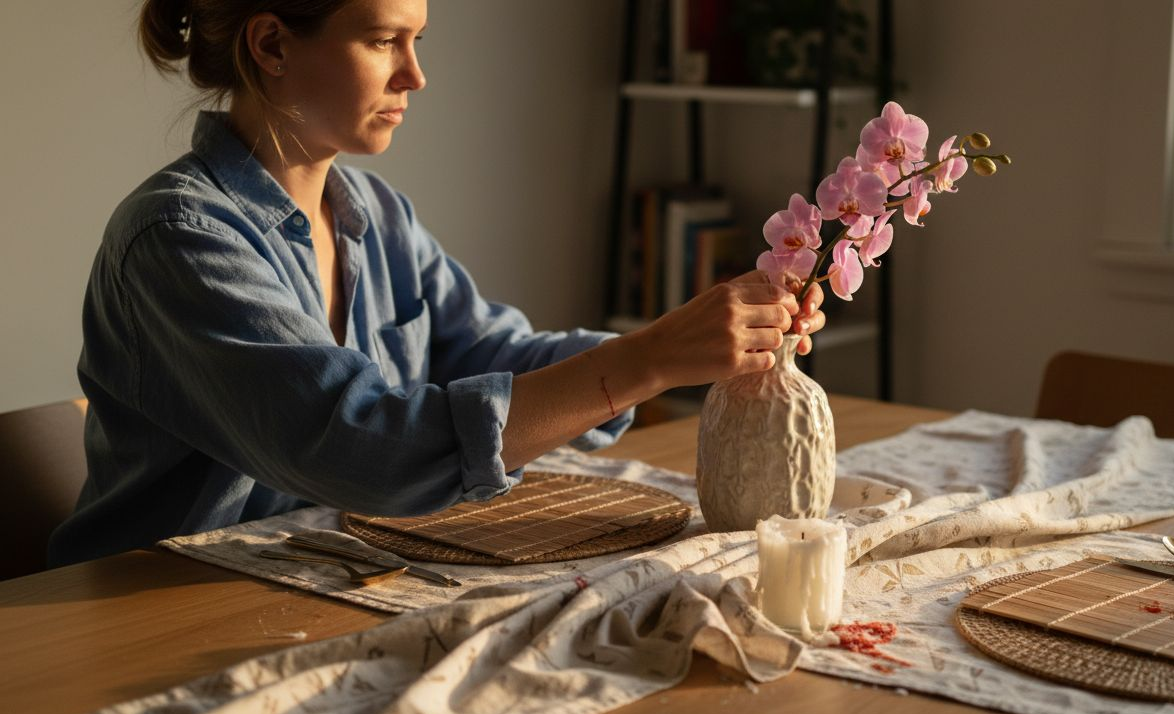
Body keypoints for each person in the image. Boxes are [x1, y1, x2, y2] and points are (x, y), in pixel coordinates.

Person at [49, 0, 826, 567]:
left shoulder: (376, 216)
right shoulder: (179, 239)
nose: (416, 75)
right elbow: (359, 447)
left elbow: (499, 357)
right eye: (386, 39)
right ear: (273, 45)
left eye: (416, 40)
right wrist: (650, 360)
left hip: (312, 584)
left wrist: (690, 337)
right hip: (139, 614)